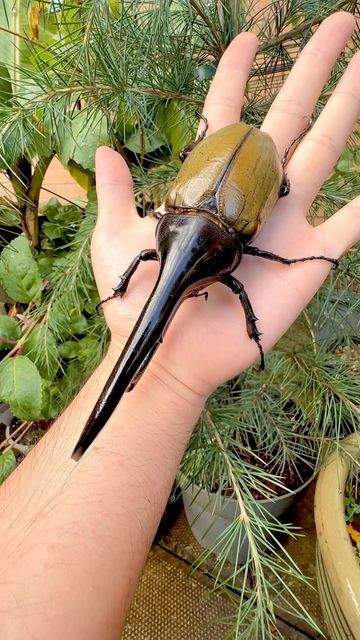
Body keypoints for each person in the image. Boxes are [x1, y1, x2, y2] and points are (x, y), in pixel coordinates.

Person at [0, 11, 359, 639]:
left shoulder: (194, 230)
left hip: (226, 178)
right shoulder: (220, 244)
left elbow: (238, 257)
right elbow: (239, 265)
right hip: (221, 185)